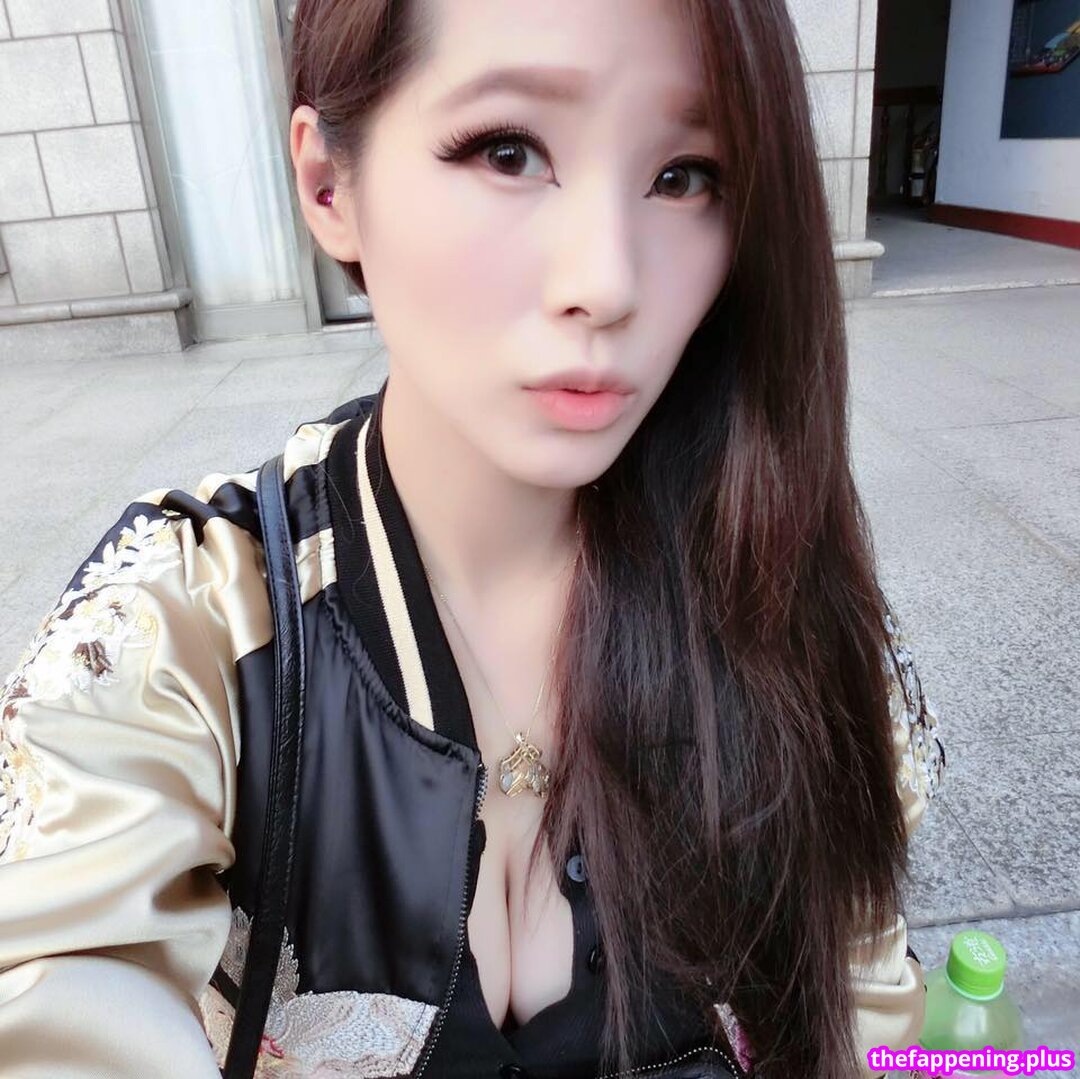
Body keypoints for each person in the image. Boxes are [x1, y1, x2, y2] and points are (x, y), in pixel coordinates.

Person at [0, 0, 946, 1076]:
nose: (606, 282)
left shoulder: (785, 610)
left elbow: (865, 1023)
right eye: (509, 152)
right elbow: (55, 983)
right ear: (329, 183)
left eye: (685, 176)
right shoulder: (184, 642)